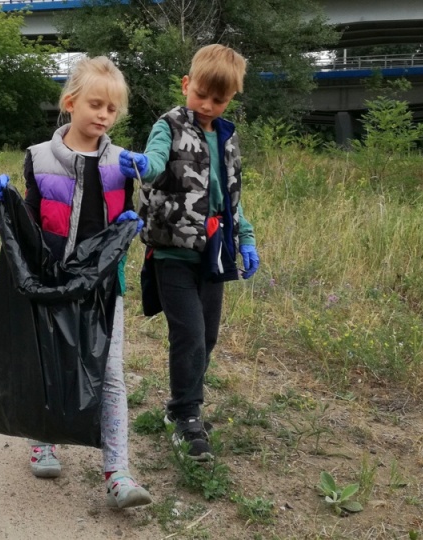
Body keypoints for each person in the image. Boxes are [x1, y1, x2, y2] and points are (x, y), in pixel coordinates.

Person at [0, 56, 151, 509]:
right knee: (49, 362)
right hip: (51, 278)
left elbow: (131, 216)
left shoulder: (123, 163)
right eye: (95, 104)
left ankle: (118, 472)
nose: (103, 115)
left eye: (112, 109)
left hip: (103, 287)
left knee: (111, 374)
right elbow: (32, 221)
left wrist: (143, 194)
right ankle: (43, 440)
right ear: (70, 102)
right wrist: (5, 199)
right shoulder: (39, 158)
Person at [119, 44, 260, 462]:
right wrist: (143, 164)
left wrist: (246, 238)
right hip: (172, 252)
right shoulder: (169, 125)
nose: (208, 105)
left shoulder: (227, 137)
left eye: (219, 100)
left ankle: (180, 405)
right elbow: (157, 160)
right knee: (190, 335)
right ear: (187, 84)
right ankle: (186, 417)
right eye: (201, 94)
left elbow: (229, 198)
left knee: (208, 337)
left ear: (231, 98)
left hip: (213, 254)